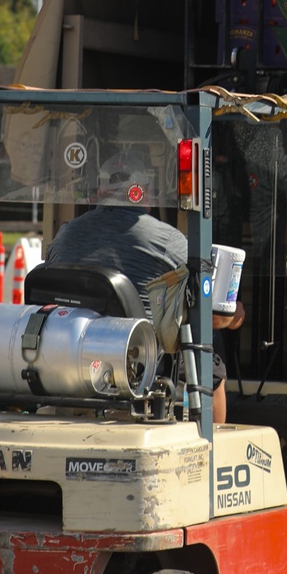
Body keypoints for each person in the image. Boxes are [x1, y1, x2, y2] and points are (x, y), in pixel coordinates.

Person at [47, 150, 240, 424]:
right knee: (209, 342)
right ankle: (212, 448)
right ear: (147, 195)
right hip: (139, 363)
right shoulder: (168, 241)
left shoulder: (65, 235)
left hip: (71, 356)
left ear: (100, 192)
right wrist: (234, 314)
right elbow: (213, 313)